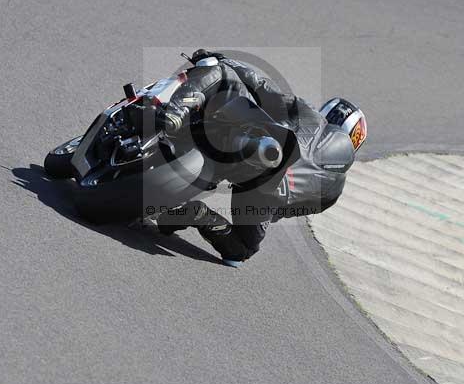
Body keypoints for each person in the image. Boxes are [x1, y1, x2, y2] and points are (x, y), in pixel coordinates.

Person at [155, 49, 367, 267]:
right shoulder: (333, 192)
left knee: (219, 75)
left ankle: (176, 113)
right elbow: (289, 209)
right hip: (266, 191)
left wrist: (223, 60)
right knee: (241, 250)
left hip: (257, 144)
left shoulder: (310, 115)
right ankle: (200, 215)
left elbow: (261, 87)